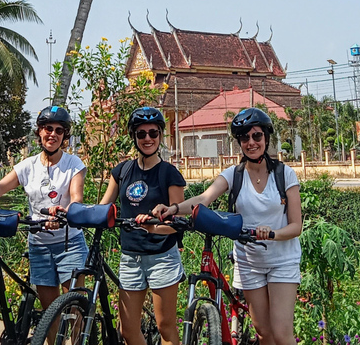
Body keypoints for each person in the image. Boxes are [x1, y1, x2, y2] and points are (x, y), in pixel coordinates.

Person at [152, 108, 303, 345]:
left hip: (282, 260)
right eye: (245, 138)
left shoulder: (284, 174)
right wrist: (174, 208)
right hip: (249, 262)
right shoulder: (234, 175)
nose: (251, 143)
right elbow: (204, 198)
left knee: (282, 334)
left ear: (266, 138)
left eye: (256, 136)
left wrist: (272, 234)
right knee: (263, 333)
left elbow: (296, 226)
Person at [0, 105, 88, 311]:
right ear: (39, 131)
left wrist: (65, 212)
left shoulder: (73, 163)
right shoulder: (28, 165)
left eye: (59, 130)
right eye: (48, 128)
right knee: (50, 311)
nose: (52, 134)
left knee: (74, 308)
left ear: (64, 135)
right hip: (39, 244)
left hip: (69, 243)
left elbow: (76, 198)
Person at [99, 107, 186, 345]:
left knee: (165, 326)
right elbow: (103, 207)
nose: (147, 139)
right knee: (128, 330)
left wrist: (153, 228)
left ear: (160, 136)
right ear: (134, 137)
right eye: (141, 134)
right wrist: (74, 212)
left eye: (153, 133)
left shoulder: (169, 173)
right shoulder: (122, 171)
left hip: (162, 256)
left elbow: (177, 223)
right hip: (130, 257)